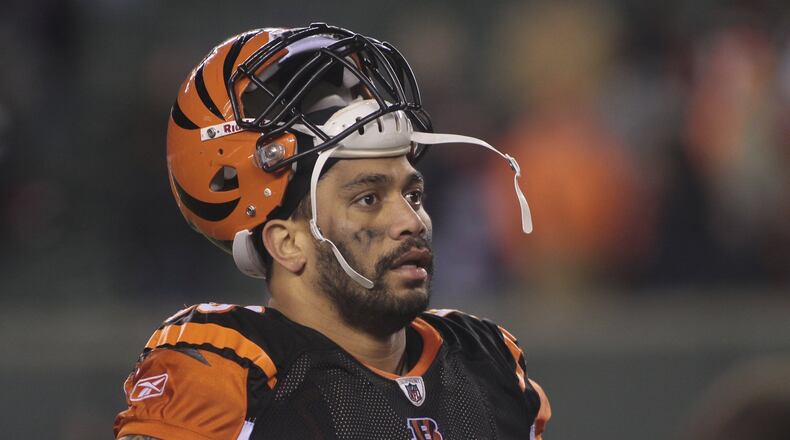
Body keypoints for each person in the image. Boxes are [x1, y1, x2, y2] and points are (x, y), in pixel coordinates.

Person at [114, 23, 550, 440]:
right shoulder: (231, 376)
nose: (412, 222)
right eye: (368, 199)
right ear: (287, 242)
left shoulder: (486, 362)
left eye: (413, 195)